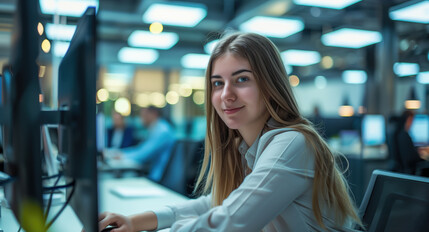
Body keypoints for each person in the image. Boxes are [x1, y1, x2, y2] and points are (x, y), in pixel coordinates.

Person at [98, 32, 362, 231]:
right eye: (217, 83)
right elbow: (215, 202)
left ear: (270, 85)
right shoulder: (247, 148)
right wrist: (135, 222)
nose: (226, 95)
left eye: (242, 79)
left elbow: (228, 223)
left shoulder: (292, 143)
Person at [106, 106, 177, 182]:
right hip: (154, 174)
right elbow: (141, 149)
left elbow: (143, 154)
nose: (141, 118)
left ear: (154, 114)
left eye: (144, 115)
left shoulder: (162, 131)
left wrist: (121, 155)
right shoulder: (156, 128)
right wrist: (119, 153)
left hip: (159, 177)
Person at [391, 110, 428, 175]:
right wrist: (422, 154)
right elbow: (412, 158)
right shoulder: (404, 135)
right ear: (409, 119)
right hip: (412, 171)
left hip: (404, 170)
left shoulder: (400, 133)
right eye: (412, 120)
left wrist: (418, 150)